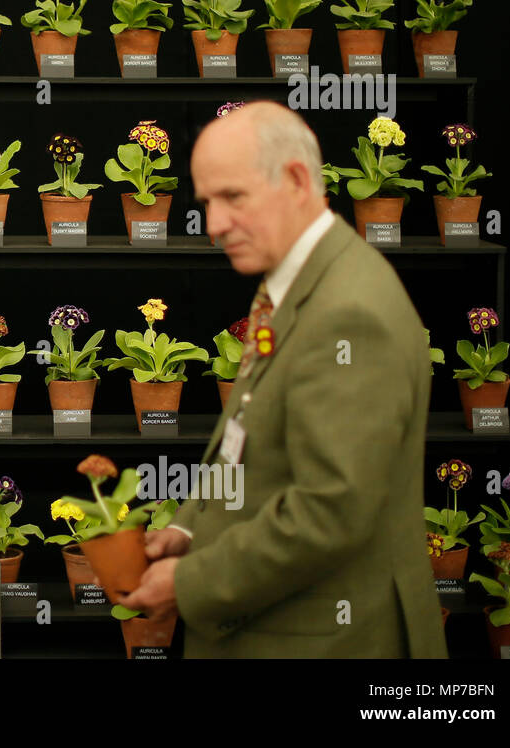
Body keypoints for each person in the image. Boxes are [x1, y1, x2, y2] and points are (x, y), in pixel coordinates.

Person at [118, 102, 446, 657]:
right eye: (207, 203)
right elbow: (246, 430)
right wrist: (191, 529)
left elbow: (330, 511)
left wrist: (188, 582)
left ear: (296, 180)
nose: (215, 224)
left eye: (233, 197)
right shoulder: (292, 281)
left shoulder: (349, 311)